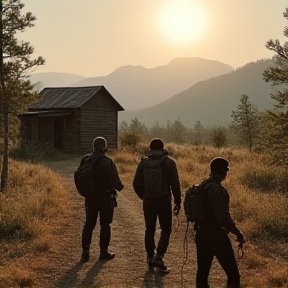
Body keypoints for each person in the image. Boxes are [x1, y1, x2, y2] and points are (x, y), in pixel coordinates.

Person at [194, 157, 246, 288]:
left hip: (201, 233)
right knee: (233, 276)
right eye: (226, 171)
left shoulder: (202, 185)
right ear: (222, 171)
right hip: (216, 235)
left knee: (202, 274)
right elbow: (223, 217)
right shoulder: (217, 189)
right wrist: (238, 233)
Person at [133, 138, 181, 271]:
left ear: (150, 148)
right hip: (164, 201)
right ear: (162, 148)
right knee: (166, 229)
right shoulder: (169, 163)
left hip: (148, 201)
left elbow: (136, 184)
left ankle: (149, 256)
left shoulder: (143, 164)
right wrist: (177, 202)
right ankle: (159, 256)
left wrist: (144, 196)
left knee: (149, 229)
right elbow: (175, 184)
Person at [80, 136, 124, 263]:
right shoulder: (107, 162)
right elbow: (116, 183)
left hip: (90, 198)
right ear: (105, 148)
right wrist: (120, 187)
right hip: (105, 198)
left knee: (89, 224)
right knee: (105, 225)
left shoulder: (85, 160)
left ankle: (85, 252)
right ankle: (103, 252)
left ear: (93, 147)